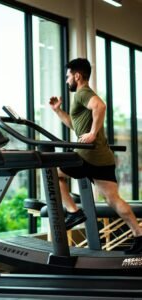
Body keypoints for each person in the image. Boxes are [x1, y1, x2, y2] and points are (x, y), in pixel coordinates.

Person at [49, 57, 142, 254]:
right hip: (102, 157)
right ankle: (139, 234)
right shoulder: (82, 97)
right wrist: (58, 111)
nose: (67, 81)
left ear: (77, 75)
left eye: (68, 77)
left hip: (87, 155)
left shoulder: (83, 92)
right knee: (113, 199)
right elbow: (76, 126)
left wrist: (91, 133)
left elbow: (100, 106)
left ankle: (74, 212)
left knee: (55, 172)